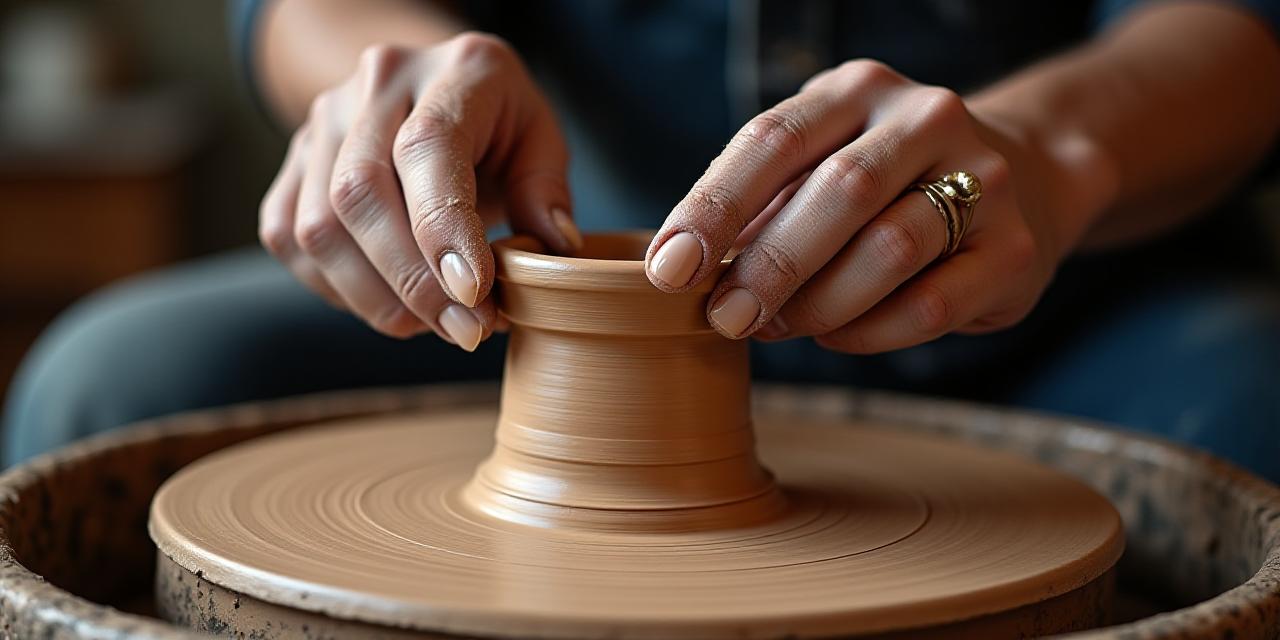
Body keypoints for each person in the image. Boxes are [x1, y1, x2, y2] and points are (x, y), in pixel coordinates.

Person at [5, 0, 1280, 481]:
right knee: (116, 384)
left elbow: (1230, 29)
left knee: (1257, 405)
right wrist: (383, 94)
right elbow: (312, 8)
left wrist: (1046, 154)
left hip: (1041, 283)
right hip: (537, 295)